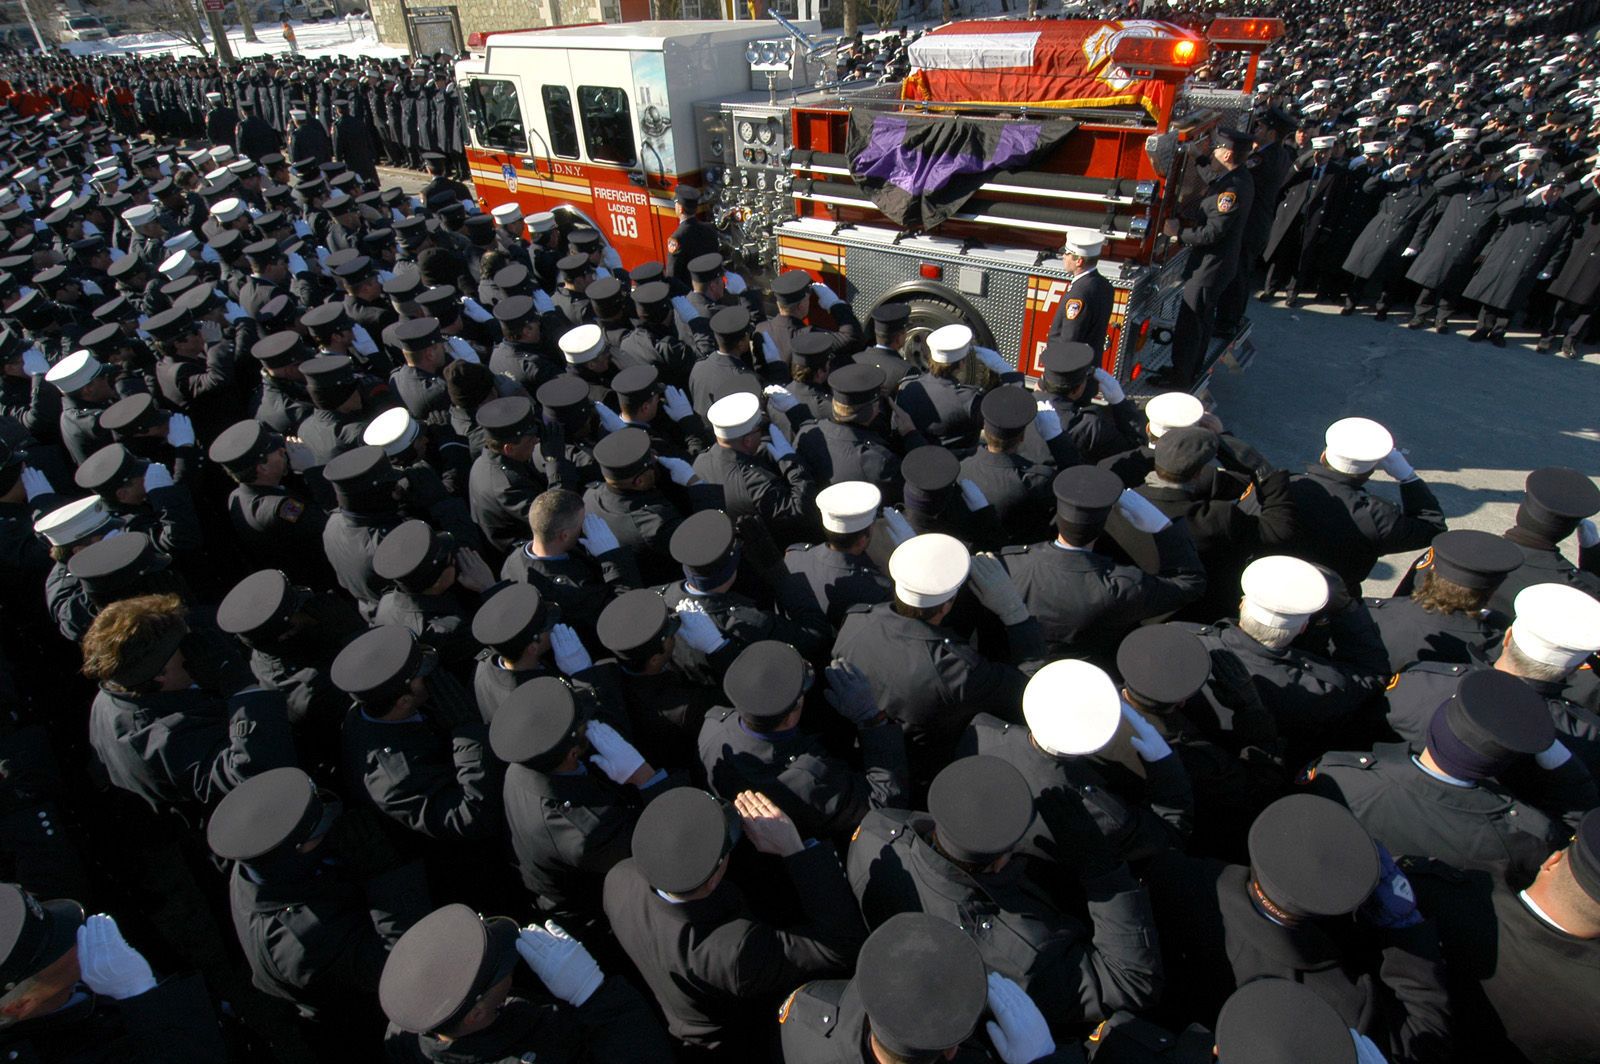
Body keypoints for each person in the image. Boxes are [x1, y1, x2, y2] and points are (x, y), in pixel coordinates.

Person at [848, 755, 1163, 1032]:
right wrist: (1103, 873)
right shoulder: (1026, 955)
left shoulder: (879, 830)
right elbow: (1130, 983)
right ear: (998, 862)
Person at [602, 786, 866, 1053]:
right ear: (714, 878)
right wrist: (795, 849)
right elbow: (841, 945)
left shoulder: (619, 879)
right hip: (739, 1036)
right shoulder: (734, 952)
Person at [378, 902, 672, 1062]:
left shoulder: (417, 1019)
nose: (511, 966)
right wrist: (594, 994)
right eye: (500, 968)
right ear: (475, 1014)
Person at [0, 884, 228, 1062]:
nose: (78, 933)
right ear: (20, 1004)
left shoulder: (93, 974)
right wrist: (143, 997)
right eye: (57, 948)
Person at [1155, 126, 1255, 388]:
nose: (1212, 153)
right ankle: (1187, 369)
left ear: (1227, 153)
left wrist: (1178, 234)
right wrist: (1197, 157)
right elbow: (1212, 178)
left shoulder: (1231, 192)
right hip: (1216, 265)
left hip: (1210, 267)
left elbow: (1212, 233)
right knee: (1201, 320)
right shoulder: (1234, 179)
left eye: (1215, 149)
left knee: (1191, 323)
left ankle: (1181, 377)